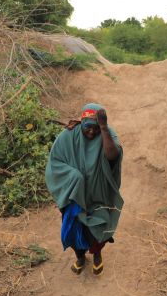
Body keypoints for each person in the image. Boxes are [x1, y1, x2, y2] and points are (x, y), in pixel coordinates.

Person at [45, 103, 123, 276]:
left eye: (96, 128)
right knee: (73, 229)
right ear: (81, 122)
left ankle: (97, 255)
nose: (91, 132)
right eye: (88, 127)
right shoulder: (69, 135)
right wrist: (74, 178)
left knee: (96, 229)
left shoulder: (106, 134)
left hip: (98, 196)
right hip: (73, 196)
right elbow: (54, 162)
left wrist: (103, 128)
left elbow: (113, 155)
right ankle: (80, 257)